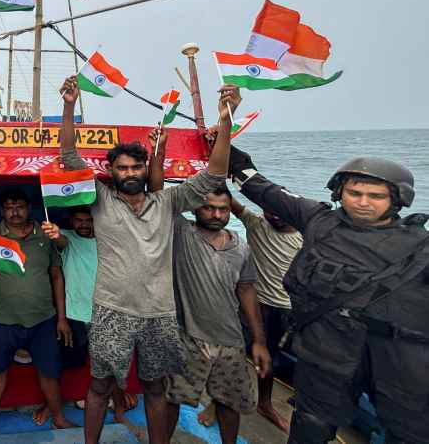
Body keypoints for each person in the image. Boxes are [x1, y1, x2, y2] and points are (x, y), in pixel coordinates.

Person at [59, 75, 240, 444]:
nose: (129, 174)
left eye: (136, 168)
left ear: (146, 170)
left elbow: (214, 174)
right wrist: (68, 106)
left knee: (156, 388)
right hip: (111, 311)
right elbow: (68, 157)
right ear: (111, 172)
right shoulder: (101, 200)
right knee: (99, 385)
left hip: (160, 314)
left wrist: (226, 120)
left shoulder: (168, 203)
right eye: (121, 168)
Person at [227, 149, 429, 444]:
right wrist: (226, 147)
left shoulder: (420, 248)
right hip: (327, 353)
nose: (362, 202)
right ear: (339, 193)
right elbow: (265, 191)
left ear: (397, 200)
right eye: (354, 192)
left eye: (375, 196)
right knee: (309, 428)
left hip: (396, 361)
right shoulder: (319, 221)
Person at [162, 183, 270, 444]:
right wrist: (161, 148)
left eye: (222, 209)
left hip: (230, 340)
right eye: (208, 207)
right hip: (188, 338)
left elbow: (246, 290)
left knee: (228, 402)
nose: (216, 215)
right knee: (172, 398)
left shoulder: (240, 246)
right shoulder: (181, 232)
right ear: (195, 207)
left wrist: (259, 340)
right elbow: (160, 196)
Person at [0, 187, 76, 435]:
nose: (15, 212)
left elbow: (57, 276)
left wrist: (61, 318)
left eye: (19, 206)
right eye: (9, 207)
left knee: (49, 371)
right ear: (1, 210)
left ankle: (59, 417)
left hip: (43, 318)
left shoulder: (44, 234)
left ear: (29, 208)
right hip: (2, 319)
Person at [40, 207, 138, 425]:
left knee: (112, 364)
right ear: (71, 221)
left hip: (107, 315)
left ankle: (119, 404)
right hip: (74, 315)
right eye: (79, 220)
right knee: (64, 363)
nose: (84, 224)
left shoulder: (110, 239)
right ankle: (51, 405)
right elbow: (60, 240)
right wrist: (62, 318)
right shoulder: (68, 238)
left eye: (88, 220)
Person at [230, 196, 301, 433]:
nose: (275, 216)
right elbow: (228, 199)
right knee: (232, 354)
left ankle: (265, 404)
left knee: (271, 359)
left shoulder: (306, 235)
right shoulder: (255, 224)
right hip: (254, 305)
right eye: (269, 211)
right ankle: (220, 402)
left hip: (289, 309)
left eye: (280, 210)